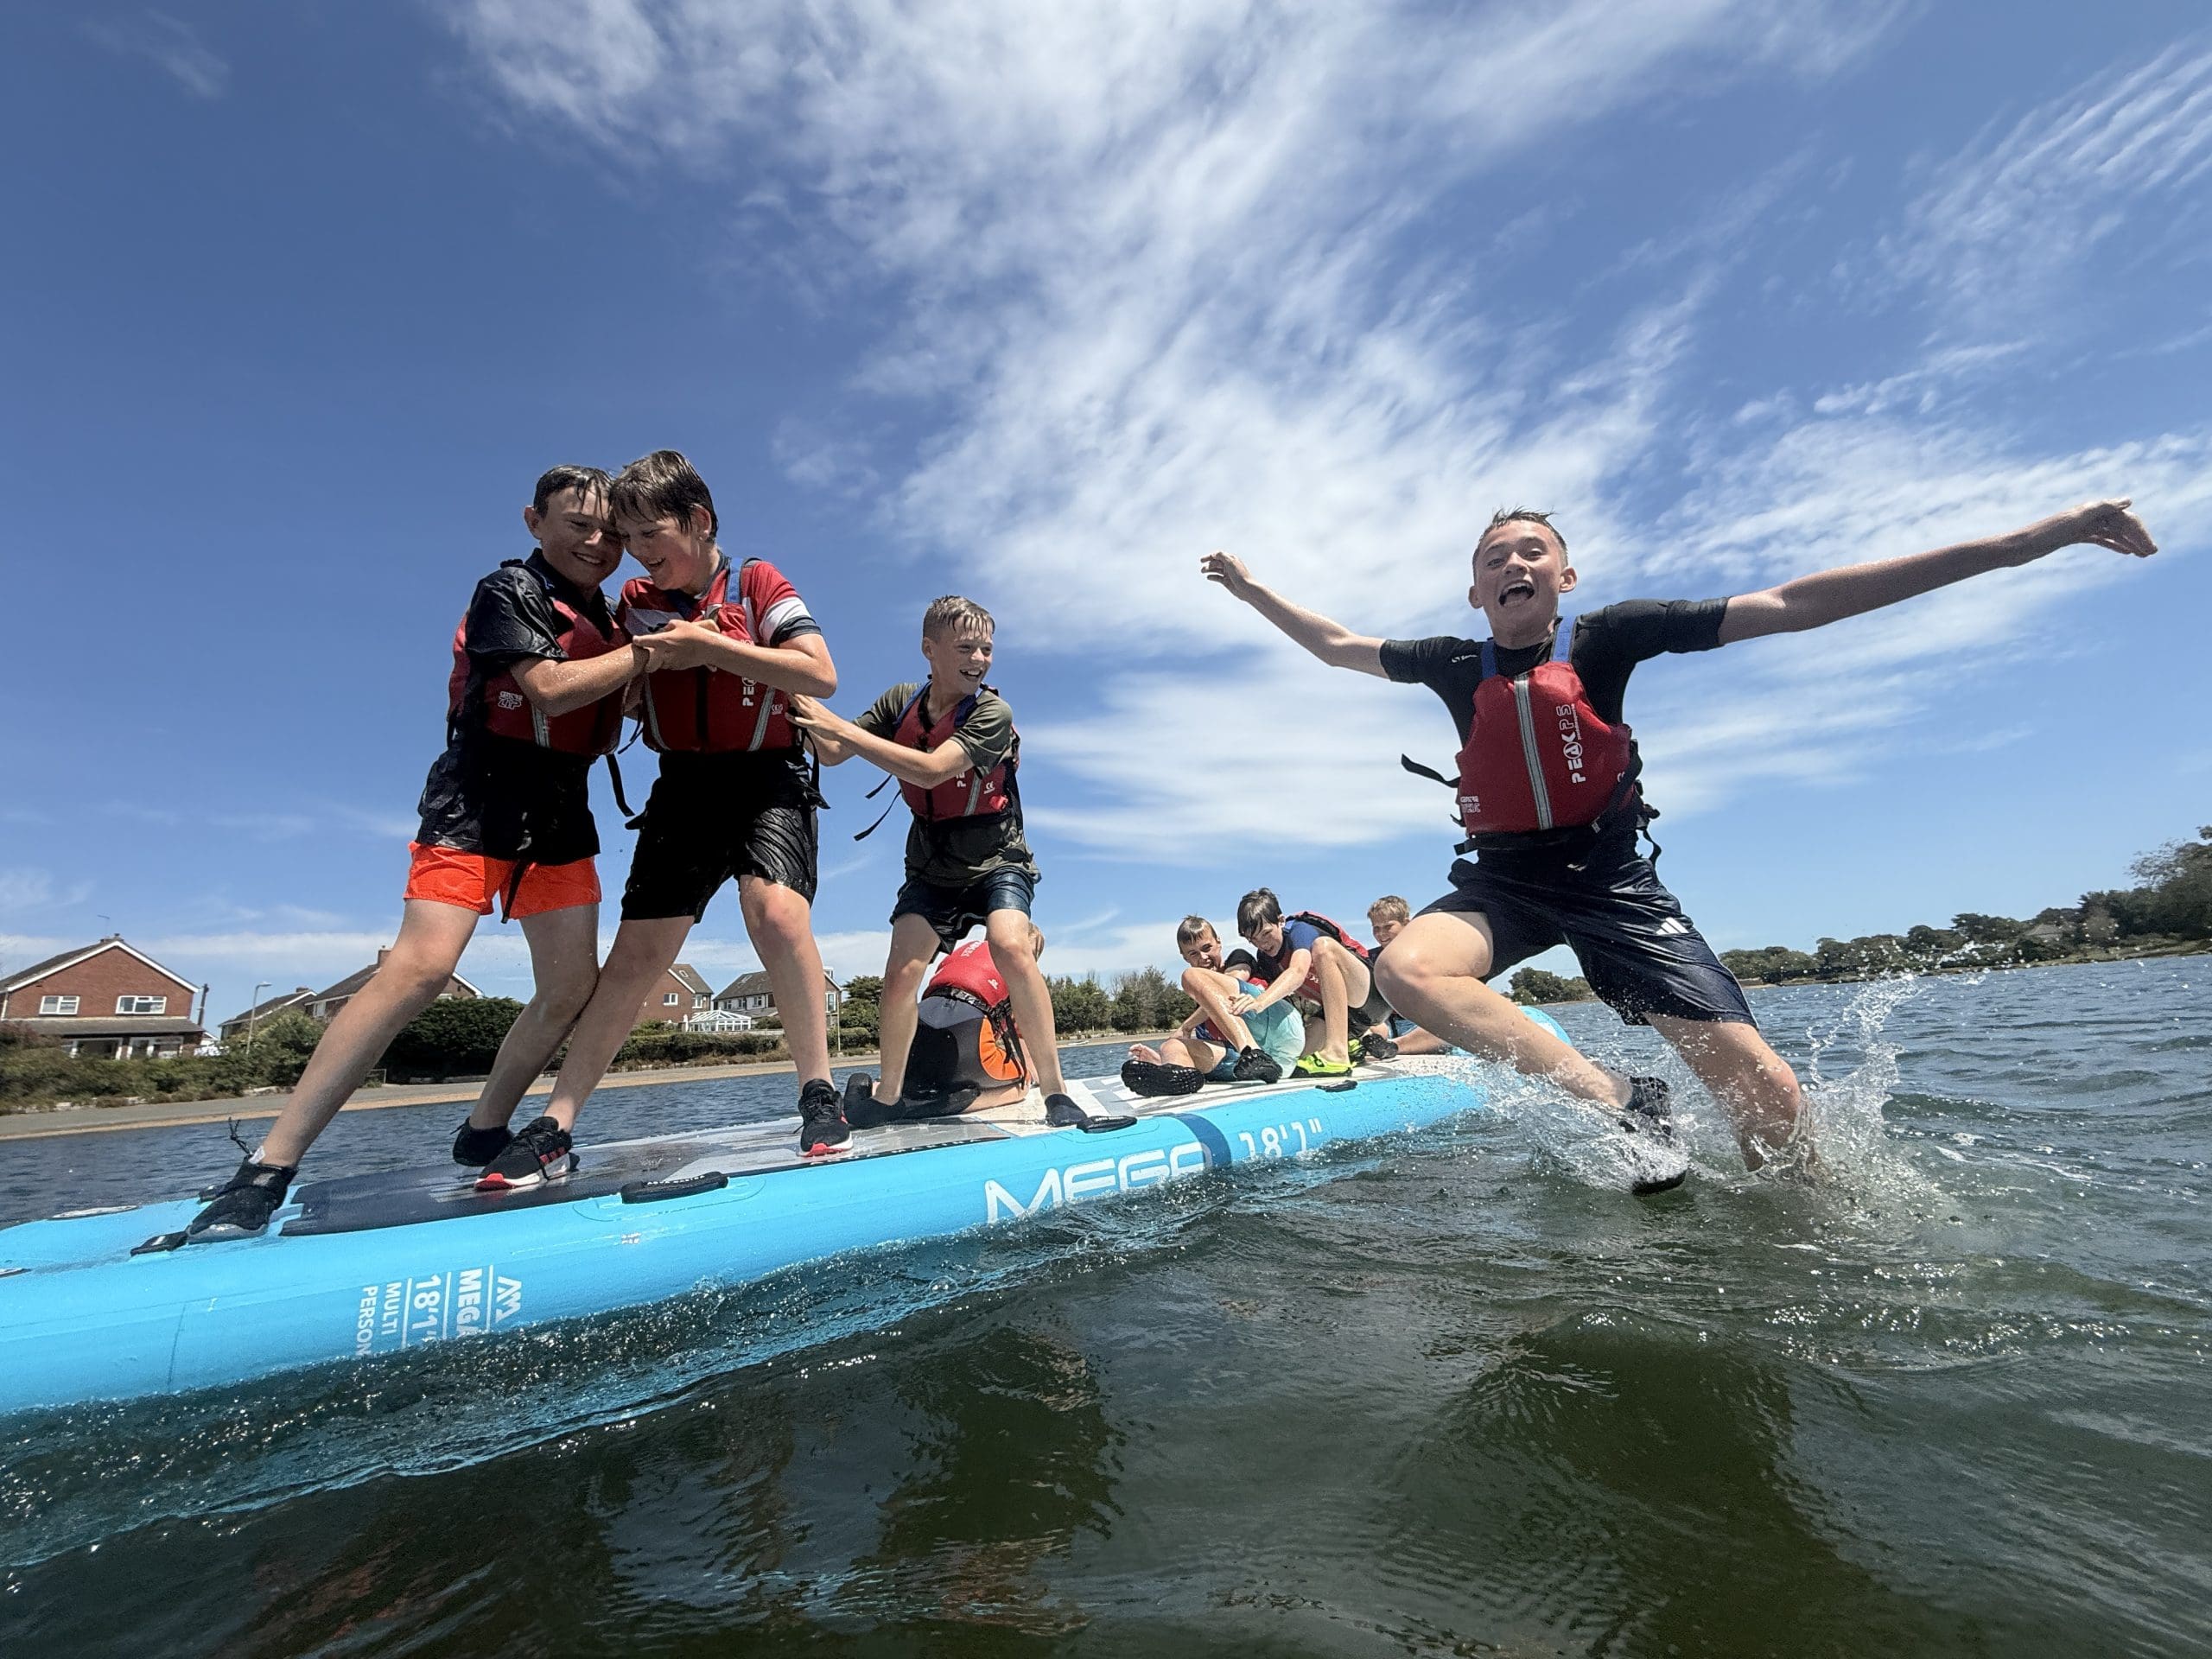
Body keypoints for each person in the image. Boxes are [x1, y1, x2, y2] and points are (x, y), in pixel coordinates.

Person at [1202, 497, 2158, 1169]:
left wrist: (2027, 543)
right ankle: (1623, 1102)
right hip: (1505, 880)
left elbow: (1793, 604)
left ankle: (1803, 1229)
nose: (1514, 564)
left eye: (1533, 551)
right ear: (1474, 592)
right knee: (1408, 967)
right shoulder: (1453, 662)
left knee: (1767, 1094)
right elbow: (1334, 644)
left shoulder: (1609, 638)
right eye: (1494, 557)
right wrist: (1252, 591)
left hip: (1612, 881)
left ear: (1564, 577)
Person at [188, 466, 654, 1238]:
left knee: (572, 984)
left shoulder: (611, 618)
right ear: (534, 522)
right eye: (578, 524)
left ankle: (484, 1130)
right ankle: (267, 1168)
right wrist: (652, 659)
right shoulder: (507, 592)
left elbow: (615, 701)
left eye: (611, 531)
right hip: (477, 796)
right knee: (423, 968)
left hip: (562, 806)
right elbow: (547, 688)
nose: (598, 542)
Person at [476, 449, 849, 1185]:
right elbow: (614, 700)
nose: (638, 556)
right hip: (683, 788)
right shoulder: (634, 604)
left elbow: (820, 672)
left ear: (699, 521)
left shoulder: (758, 583)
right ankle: (555, 1125)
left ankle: (818, 1092)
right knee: (636, 959)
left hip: (766, 781)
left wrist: (707, 645)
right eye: (630, 539)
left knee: (775, 915)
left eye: (651, 536)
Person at [791, 596, 1108, 1130]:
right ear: (929, 650)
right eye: (966, 647)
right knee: (900, 975)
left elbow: (932, 771)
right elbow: (831, 752)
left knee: (1009, 944)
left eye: (987, 648)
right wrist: (791, 694)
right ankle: (889, 1096)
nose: (980, 658)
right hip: (932, 864)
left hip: (995, 856)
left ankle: (1056, 1091)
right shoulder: (900, 702)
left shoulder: (992, 713)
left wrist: (843, 730)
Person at [1122, 916, 1300, 1096]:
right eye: (1193, 954)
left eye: (1207, 948)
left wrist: (1186, 1026)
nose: (1203, 958)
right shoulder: (1201, 1005)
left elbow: (1229, 987)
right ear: (1184, 957)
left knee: (1191, 976)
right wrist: (1162, 1061)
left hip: (1282, 1033)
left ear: (1219, 942)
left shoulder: (1239, 959)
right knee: (1172, 1045)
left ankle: (1252, 1050)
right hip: (1263, 1067)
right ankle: (1173, 1074)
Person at [1233, 889, 1397, 1077]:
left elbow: (1298, 972)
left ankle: (1338, 1053)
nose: (1262, 944)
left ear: (1281, 921)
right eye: (1252, 940)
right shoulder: (1265, 959)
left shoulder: (1300, 930)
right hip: (1343, 1017)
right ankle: (1354, 1044)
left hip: (1369, 997)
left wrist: (1260, 1002)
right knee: (1297, 1062)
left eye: (1266, 933)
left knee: (1323, 947)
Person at [1366, 895, 1455, 1055]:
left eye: (1388, 926)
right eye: (1376, 928)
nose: (1381, 933)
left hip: (1419, 1024)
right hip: (1386, 1023)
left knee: (1449, 1029)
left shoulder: (1427, 954)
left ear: (1406, 924)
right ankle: (1387, 1045)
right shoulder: (1369, 958)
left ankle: (1393, 1047)